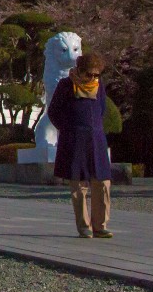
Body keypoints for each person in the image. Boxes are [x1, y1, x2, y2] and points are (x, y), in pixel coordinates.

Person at [48, 52, 115, 239]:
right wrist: (68, 129)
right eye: (89, 74)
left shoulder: (99, 87)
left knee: (102, 182)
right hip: (74, 139)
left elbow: (101, 109)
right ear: (80, 71)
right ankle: (84, 226)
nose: (92, 78)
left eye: (96, 75)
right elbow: (54, 111)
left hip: (96, 138)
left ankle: (100, 225)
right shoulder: (66, 85)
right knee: (78, 184)